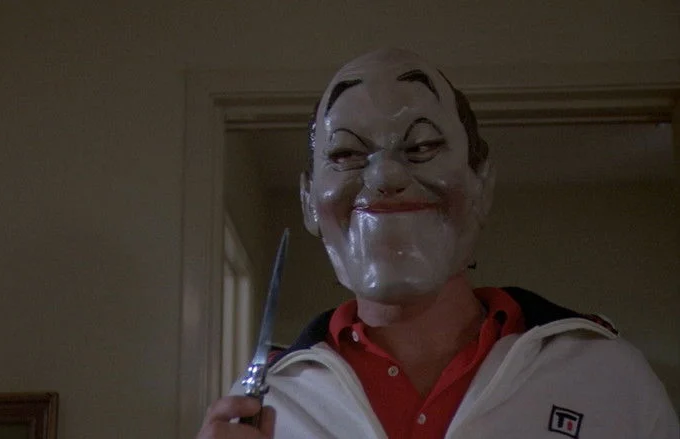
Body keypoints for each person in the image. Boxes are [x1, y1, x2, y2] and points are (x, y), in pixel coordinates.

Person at [196, 48, 678, 439]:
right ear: (308, 201)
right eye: (345, 153)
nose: (385, 176)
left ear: (481, 184)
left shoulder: (607, 378)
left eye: (422, 147)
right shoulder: (261, 406)